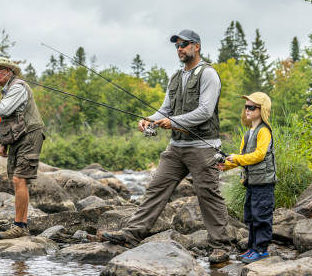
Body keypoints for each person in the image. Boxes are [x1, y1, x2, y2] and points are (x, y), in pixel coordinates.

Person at [101, 29, 231, 264]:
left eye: (184, 45)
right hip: (176, 147)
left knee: (208, 195)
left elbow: (205, 111)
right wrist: (150, 119)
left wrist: (173, 122)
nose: (180, 49)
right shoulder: (175, 77)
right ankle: (132, 234)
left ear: (197, 47)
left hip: (204, 147)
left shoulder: (208, 74)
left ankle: (221, 246)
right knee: (155, 187)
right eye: (177, 46)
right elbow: (165, 109)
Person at [0, 57, 45, 239]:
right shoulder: (8, 90)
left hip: (30, 135)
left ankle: (20, 226)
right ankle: (20, 224)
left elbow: (4, 110)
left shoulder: (17, 87)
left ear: (8, 71)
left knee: (19, 179)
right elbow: (10, 120)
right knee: (17, 180)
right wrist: (3, 143)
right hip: (18, 138)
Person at [219, 92, 276, 263]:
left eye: (252, 107)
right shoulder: (247, 134)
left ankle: (262, 250)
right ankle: (252, 249)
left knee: (262, 217)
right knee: (251, 216)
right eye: (246, 107)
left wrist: (235, 158)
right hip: (251, 183)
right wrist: (225, 165)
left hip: (264, 184)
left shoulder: (264, 131)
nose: (247, 110)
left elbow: (259, 155)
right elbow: (243, 157)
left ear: (262, 109)